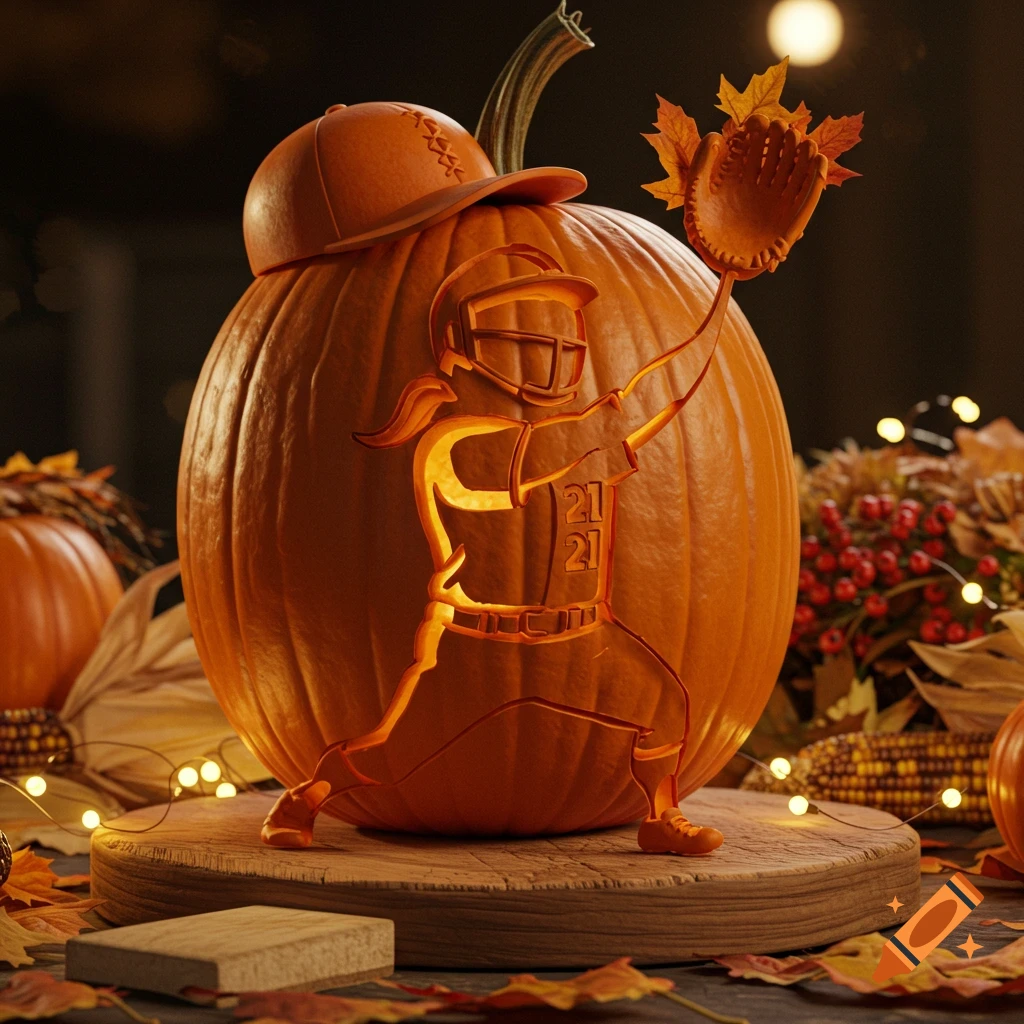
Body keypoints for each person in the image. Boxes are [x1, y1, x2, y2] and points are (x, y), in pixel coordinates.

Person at [262, 241, 737, 855]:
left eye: (555, 337)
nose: (543, 354)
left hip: (582, 637)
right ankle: (310, 794)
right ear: (460, 344)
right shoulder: (456, 443)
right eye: (517, 338)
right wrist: (715, 300)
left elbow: (623, 426)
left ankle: (660, 814)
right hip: (478, 646)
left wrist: (723, 284)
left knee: (664, 705)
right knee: (394, 756)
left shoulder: (573, 440)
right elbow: (607, 424)